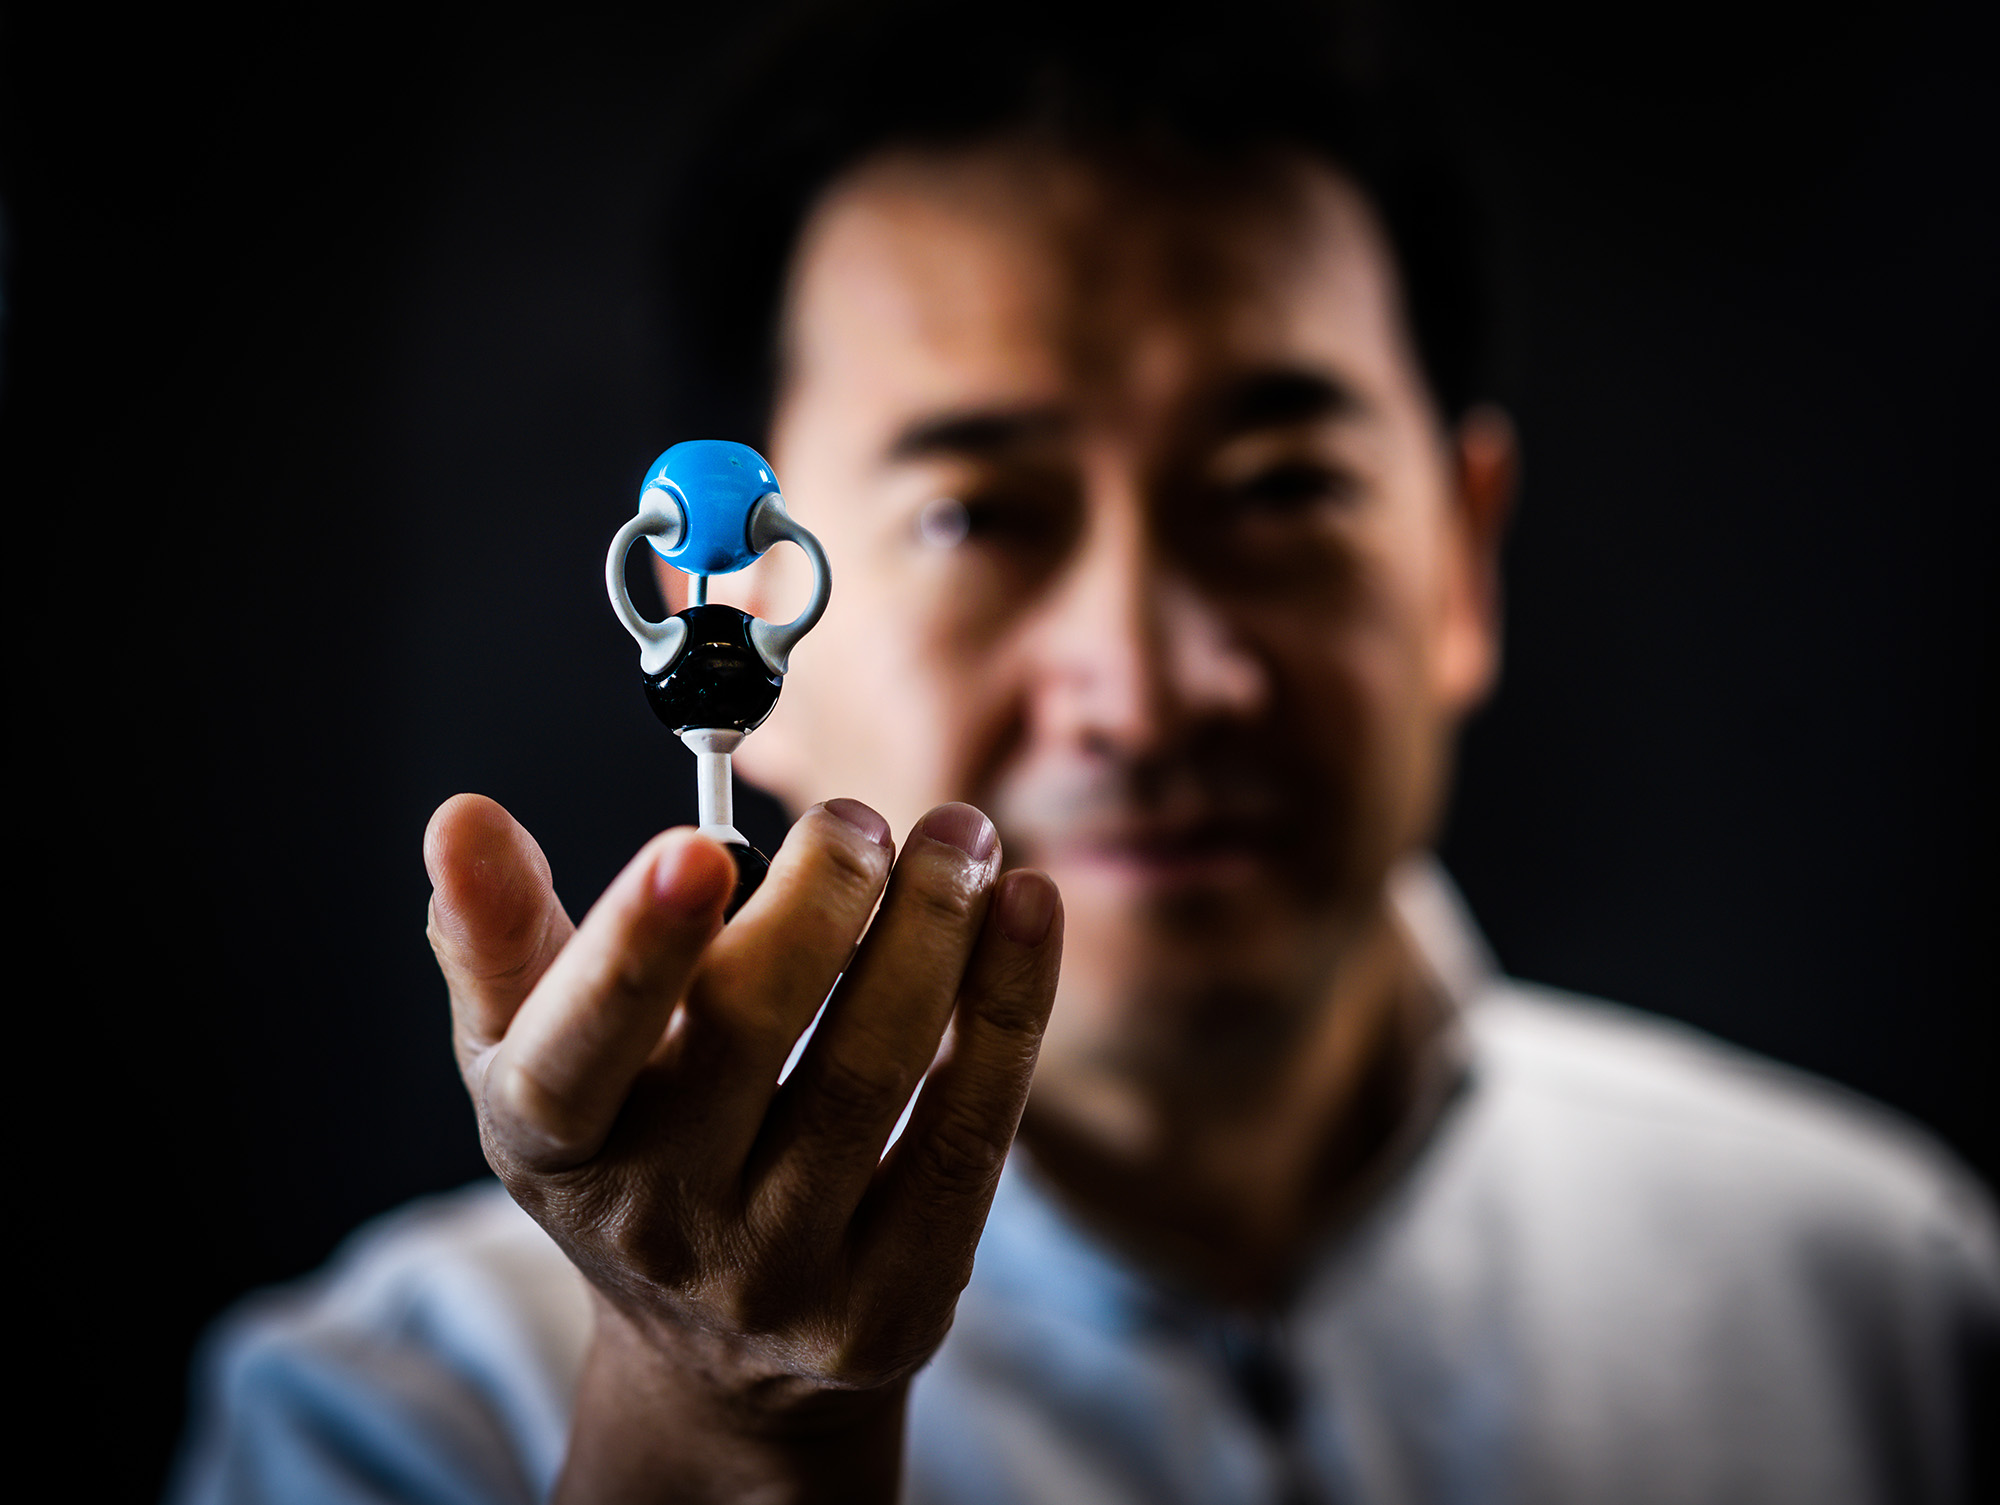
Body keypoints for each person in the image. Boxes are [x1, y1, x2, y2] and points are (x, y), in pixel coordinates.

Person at [171, 3, 1999, 1501]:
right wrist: (710, 1428)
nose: (1149, 680)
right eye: (977, 514)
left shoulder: (1888, 1306)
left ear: (1465, 554)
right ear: (746, 608)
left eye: (1283, 491)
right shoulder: (404, 1424)